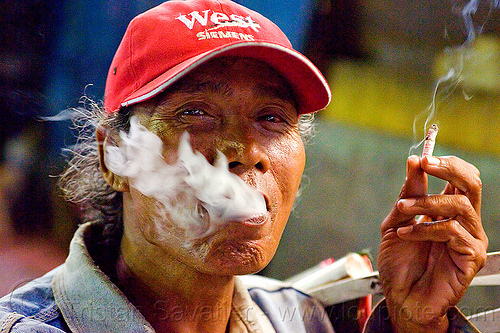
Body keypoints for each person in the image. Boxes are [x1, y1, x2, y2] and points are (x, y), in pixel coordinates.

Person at [0, 0, 488, 332]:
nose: (243, 149)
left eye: (272, 118)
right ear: (114, 155)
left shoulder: (299, 319)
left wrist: (412, 323)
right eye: (196, 113)